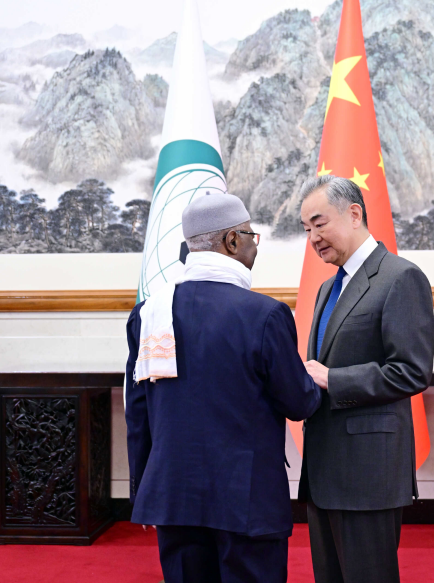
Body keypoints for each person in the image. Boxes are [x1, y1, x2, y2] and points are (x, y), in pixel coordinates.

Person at [125, 193, 321, 583]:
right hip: (246, 500)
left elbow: (139, 412)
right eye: (251, 236)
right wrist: (314, 379)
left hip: (173, 496)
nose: (254, 246)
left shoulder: (149, 313)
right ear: (232, 241)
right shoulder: (265, 314)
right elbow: (298, 403)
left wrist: (143, 489)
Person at [298, 176, 434, 583]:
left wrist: (333, 379)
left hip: (368, 474)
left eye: (319, 224)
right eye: (306, 229)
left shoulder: (400, 277)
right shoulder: (327, 287)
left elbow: (411, 370)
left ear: (354, 213)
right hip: (323, 471)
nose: (313, 238)